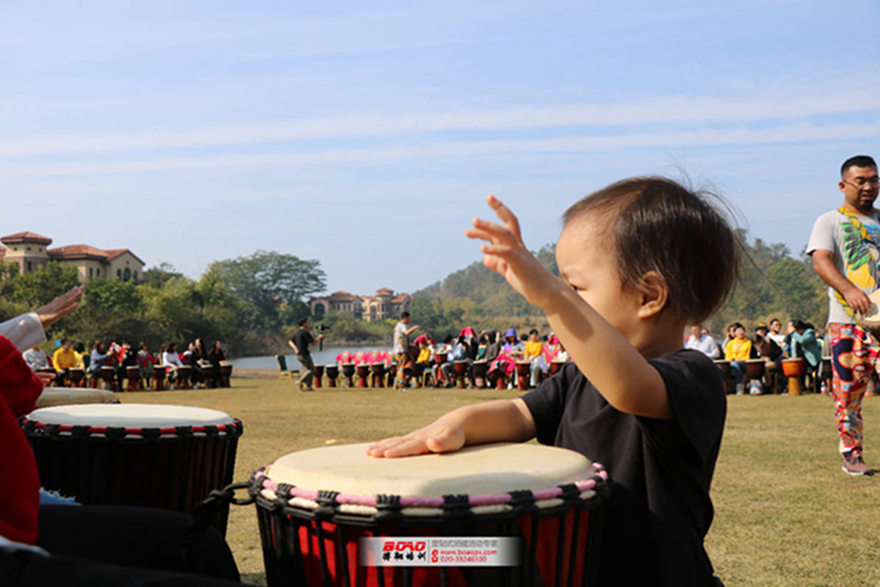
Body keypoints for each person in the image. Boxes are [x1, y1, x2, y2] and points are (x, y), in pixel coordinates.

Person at [368, 178, 738, 586]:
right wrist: (458, 424)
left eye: (575, 287)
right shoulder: (578, 376)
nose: (563, 298)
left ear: (649, 295)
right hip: (573, 566)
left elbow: (628, 389)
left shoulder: (692, 375)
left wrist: (550, 294)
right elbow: (518, 412)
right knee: (394, 553)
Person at [807, 154, 880, 476]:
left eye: (874, 179)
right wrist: (850, 290)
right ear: (843, 185)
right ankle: (852, 456)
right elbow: (821, 261)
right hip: (847, 323)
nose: (868, 186)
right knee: (848, 395)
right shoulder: (830, 221)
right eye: (860, 181)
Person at [289, 318, 324, 391]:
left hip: (299, 355)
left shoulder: (297, 333)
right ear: (304, 324)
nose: (308, 324)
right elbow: (313, 343)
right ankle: (300, 381)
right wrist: (319, 338)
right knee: (312, 370)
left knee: (307, 370)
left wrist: (295, 349)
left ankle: (308, 386)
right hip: (304, 354)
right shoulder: (305, 332)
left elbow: (290, 341)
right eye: (307, 323)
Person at [391, 312, 421, 389]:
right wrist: (415, 327)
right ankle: (401, 385)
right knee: (402, 368)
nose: (409, 320)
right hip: (401, 351)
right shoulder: (402, 326)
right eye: (409, 318)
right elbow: (407, 333)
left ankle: (396, 384)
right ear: (405, 318)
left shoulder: (397, 326)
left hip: (397, 351)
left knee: (399, 367)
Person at [724, 323, 753, 395]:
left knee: (735, 364)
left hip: (744, 363)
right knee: (733, 365)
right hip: (733, 363)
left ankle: (739, 385)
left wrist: (737, 359)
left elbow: (748, 356)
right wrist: (730, 361)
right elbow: (727, 356)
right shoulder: (731, 343)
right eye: (739, 331)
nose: (741, 332)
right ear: (735, 333)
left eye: (742, 331)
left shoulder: (748, 342)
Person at [753, 323, 783, 392]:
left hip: (775, 361)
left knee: (765, 367)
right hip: (762, 361)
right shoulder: (753, 342)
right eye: (760, 331)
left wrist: (769, 357)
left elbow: (778, 352)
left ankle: (768, 385)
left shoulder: (769, 341)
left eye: (763, 331)